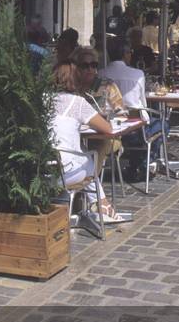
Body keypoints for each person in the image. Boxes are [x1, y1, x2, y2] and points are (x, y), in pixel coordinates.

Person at [50, 59, 126, 230]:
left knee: (82, 151)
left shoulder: (42, 100)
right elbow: (107, 128)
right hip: (67, 174)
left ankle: (99, 205)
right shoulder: (76, 103)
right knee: (93, 155)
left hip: (41, 173)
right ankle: (102, 206)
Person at [99, 38, 164, 181]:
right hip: (135, 127)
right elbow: (143, 103)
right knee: (162, 124)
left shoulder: (101, 74)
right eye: (130, 53)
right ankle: (145, 162)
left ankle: (137, 163)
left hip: (109, 124)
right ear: (126, 54)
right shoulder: (137, 74)